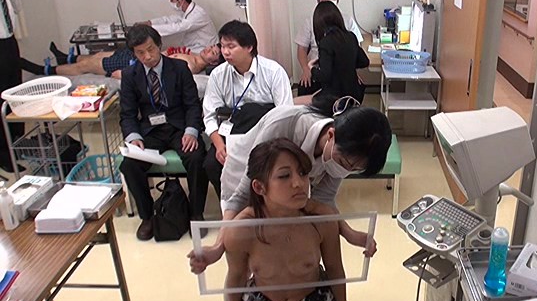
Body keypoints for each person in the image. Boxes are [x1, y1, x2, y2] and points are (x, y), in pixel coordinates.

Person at [188, 94, 391, 272]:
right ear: (331, 135)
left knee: (277, 256)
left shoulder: (341, 152)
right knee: (247, 258)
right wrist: (217, 247)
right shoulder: (285, 125)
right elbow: (241, 195)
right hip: (243, 172)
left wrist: (348, 233)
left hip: (280, 198)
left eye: (354, 169)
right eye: (345, 163)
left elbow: (324, 201)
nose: (345, 170)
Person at [226, 138, 346, 301]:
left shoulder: (321, 220)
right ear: (259, 187)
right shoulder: (243, 229)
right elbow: (236, 276)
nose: (299, 183)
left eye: (302, 174)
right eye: (284, 176)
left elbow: (334, 267)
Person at [118, 25, 209, 241]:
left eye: (150, 49)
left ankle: (196, 214)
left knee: (197, 157)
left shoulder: (179, 68)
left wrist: (191, 131)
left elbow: (192, 105)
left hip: (179, 127)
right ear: (134, 54)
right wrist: (134, 138)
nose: (147, 56)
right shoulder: (130, 75)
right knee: (129, 165)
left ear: (159, 45)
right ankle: (147, 216)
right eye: (140, 53)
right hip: (150, 131)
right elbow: (127, 114)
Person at [203, 20, 293, 199]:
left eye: (231, 46)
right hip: (230, 134)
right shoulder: (218, 74)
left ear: (249, 47)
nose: (225, 52)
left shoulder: (273, 71)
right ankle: (231, 205)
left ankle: (263, 205)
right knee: (211, 164)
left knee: (265, 164)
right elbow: (210, 116)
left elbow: (285, 114)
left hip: (265, 135)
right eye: (222, 46)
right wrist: (219, 146)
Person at [295, 0, 364, 97]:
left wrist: (351, 71)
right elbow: (301, 49)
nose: (328, 1)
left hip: (340, 70)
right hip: (317, 68)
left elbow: (356, 48)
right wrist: (306, 69)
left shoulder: (348, 20)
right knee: (304, 89)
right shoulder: (309, 21)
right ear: (318, 1)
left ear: (337, 1)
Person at [20, 43, 223, 78]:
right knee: (98, 56)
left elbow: (159, 70)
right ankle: (66, 57)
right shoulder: (192, 54)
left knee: (86, 67)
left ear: (213, 63)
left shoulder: (190, 66)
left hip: (136, 63)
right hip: (139, 55)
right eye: (212, 47)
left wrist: (125, 75)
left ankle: (44, 70)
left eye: (213, 53)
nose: (208, 50)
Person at [136, 0, 218, 54]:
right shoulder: (187, 11)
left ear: (181, 0)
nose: (171, 3)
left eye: (172, 0)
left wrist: (150, 29)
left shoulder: (198, 15)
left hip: (206, 50)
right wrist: (150, 23)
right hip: (194, 47)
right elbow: (171, 19)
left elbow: (177, 27)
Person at [0, 0, 23, 173]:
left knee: (15, 93)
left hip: (9, 42)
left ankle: (18, 144)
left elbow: (17, 8)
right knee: (1, 98)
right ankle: (4, 154)